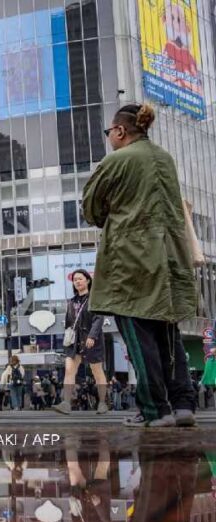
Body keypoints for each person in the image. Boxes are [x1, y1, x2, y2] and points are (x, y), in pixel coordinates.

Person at [84, 103, 198, 427]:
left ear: (120, 131)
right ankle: (183, 405)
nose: (109, 137)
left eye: (110, 132)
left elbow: (91, 210)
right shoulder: (165, 158)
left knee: (139, 337)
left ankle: (155, 410)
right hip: (169, 258)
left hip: (130, 262)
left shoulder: (116, 160)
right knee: (168, 333)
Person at [53, 269, 109, 415]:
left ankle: (102, 403)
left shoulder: (94, 299)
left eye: (80, 279)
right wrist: (67, 338)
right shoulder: (72, 301)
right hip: (74, 341)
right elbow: (69, 322)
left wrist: (92, 336)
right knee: (69, 371)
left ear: (88, 280)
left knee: (97, 371)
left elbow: (99, 318)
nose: (77, 281)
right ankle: (66, 403)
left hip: (91, 340)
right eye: (75, 280)